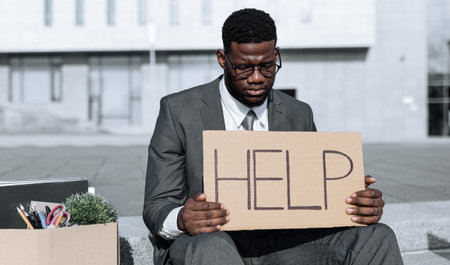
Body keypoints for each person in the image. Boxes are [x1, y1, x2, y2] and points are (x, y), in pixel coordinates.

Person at [143, 8, 403, 265]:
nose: (256, 78)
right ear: (223, 59)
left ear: (276, 55)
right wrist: (181, 218)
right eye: (243, 68)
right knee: (213, 248)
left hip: (280, 245)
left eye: (267, 66)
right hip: (207, 241)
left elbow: (311, 194)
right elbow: (157, 204)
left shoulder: (299, 113)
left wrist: (354, 202)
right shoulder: (178, 110)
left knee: (377, 236)